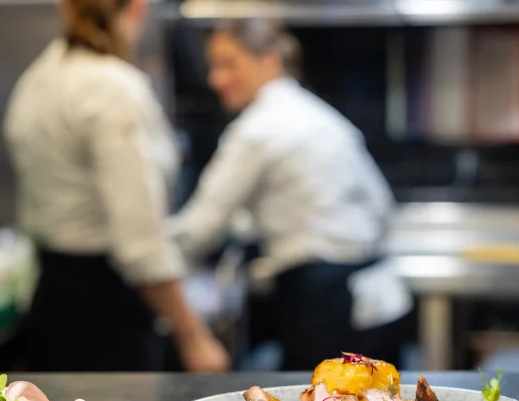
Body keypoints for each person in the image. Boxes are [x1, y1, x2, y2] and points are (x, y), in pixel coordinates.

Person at [170, 19, 412, 370]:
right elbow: (381, 206)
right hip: (379, 298)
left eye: (228, 64)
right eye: (213, 66)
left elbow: (199, 230)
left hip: (323, 305)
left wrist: (146, 259)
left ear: (268, 61)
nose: (215, 79)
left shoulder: (255, 131)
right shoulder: (320, 114)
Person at [3, 0, 229, 372]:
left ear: (64, 7)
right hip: (105, 315)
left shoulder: (37, 78)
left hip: (50, 303)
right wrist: (194, 338)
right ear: (138, 8)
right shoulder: (113, 87)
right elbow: (140, 245)